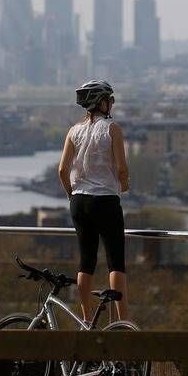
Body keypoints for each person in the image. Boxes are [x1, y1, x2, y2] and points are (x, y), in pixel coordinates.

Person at [57, 80, 130, 323]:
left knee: (86, 261)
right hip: (106, 200)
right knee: (115, 262)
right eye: (110, 100)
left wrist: (71, 194)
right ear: (102, 102)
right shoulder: (112, 129)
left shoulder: (73, 131)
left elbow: (62, 171)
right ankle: (122, 322)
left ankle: (86, 320)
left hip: (79, 201)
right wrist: (125, 185)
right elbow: (121, 169)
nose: (112, 104)